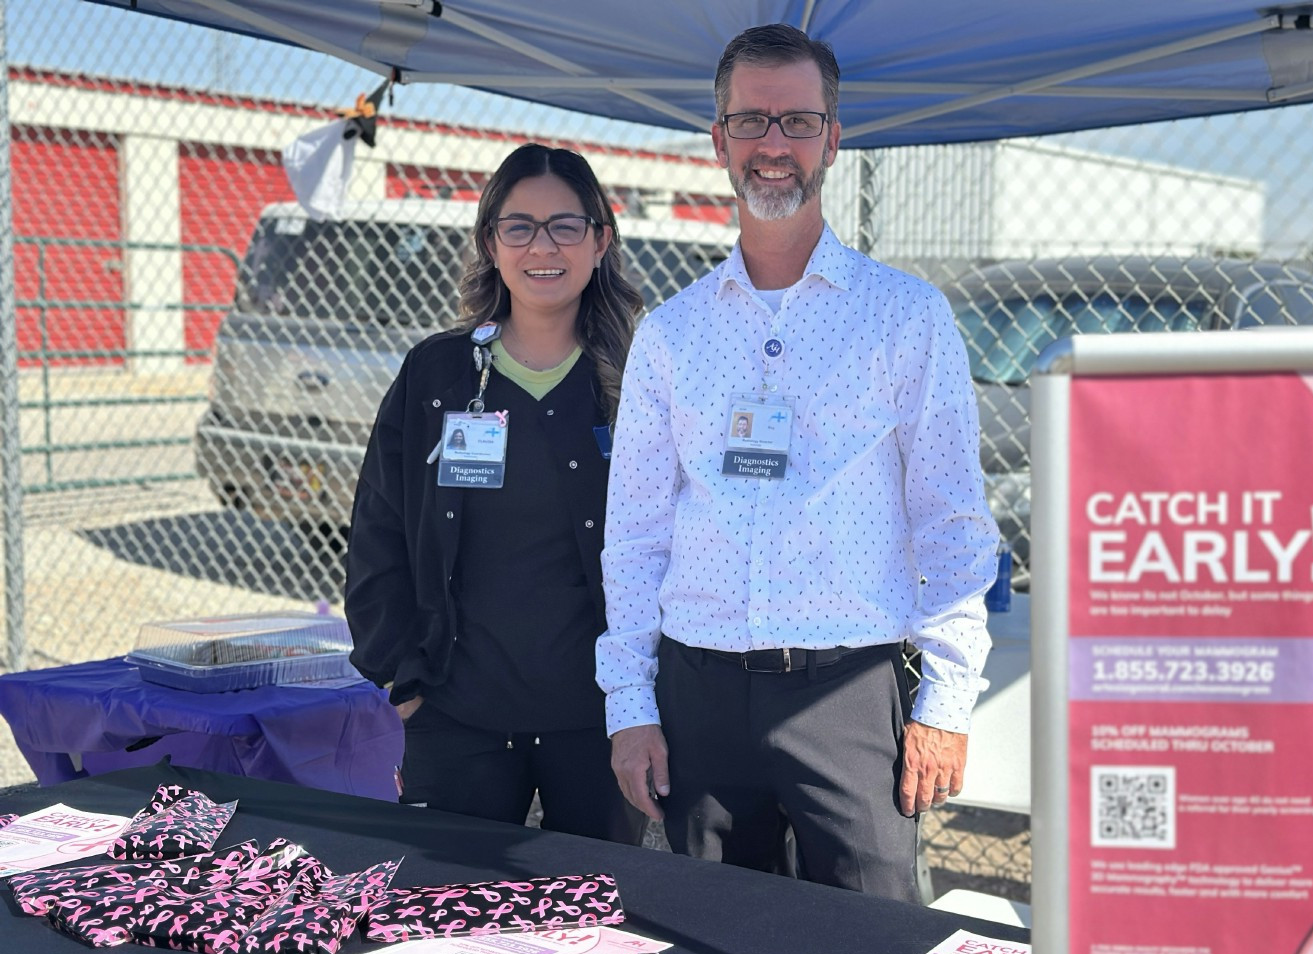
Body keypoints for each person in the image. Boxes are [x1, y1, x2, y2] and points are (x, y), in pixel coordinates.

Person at [597, 24, 998, 902]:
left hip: (847, 697)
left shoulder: (906, 317)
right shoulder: (671, 334)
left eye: (798, 123)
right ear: (718, 140)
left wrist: (944, 703)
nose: (773, 146)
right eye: (751, 122)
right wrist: (630, 703)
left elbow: (955, 524)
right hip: (698, 695)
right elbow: (632, 537)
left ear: (833, 139)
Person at [346, 143, 646, 844]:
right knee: (446, 916)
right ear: (491, 241)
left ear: (601, 239)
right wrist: (403, 679)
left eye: (566, 226)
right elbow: (378, 530)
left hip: (597, 718)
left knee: (595, 921)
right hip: (458, 715)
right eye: (520, 226)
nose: (543, 247)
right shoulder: (438, 373)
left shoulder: (639, 376)